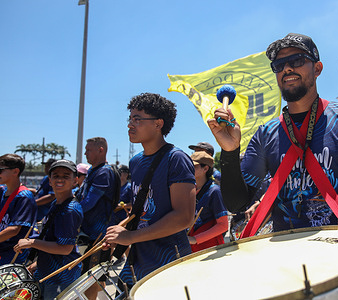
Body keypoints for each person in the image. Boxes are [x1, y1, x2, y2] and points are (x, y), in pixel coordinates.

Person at [207, 33, 338, 234]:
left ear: (317, 68)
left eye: (297, 60)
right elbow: (236, 204)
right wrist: (230, 151)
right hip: (284, 251)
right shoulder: (266, 134)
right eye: (279, 65)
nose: (287, 68)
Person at [104, 93, 196, 288]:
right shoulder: (135, 162)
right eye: (130, 119)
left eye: (137, 119)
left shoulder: (176, 159)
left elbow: (184, 217)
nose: (130, 124)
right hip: (139, 259)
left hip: (169, 260)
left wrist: (130, 237)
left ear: (158, 123)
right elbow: (140, 211)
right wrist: (118, 233)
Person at [14, 160, 83, 299]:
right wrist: (37, 264)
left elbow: (65, 248)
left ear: (75, 181)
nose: (60, 179)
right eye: (56, 176)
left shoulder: (69, 210)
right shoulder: (57, 203)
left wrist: (31, 243)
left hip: (60, 277)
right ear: (50, 180)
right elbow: (51, 239)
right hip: (48, 272)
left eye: (65, 176)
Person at [75, 137, 119, 299]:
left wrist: (71, 213)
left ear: (101, 150)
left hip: (98, 234)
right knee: (94, 276)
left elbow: (88, 202)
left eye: (88, 150)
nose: (85, 153)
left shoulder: (104, 172)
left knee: (91, 277)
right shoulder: (94, 170)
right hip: (89, 232)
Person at [0, 154, 37, 265]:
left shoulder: (23, 196)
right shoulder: (2, 191)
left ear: (15, 172)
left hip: (13, 254)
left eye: (0, 170)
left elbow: (14, 229)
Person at [188, 151, 228, 252]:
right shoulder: (191, 189)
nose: (189, 168)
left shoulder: (214, 191)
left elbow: (223, 225)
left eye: (194, 166)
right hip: (193, 247)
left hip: (210, 248)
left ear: (205, 168)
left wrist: (195, 239)